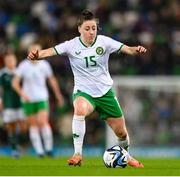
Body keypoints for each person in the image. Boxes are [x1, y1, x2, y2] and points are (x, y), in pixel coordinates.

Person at [27, 10, 147, 167]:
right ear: (79, 29)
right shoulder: (71, 45)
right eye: (87, 28)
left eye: (94, 28)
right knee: (80, 109)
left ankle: (126, 156)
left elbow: (128, 49)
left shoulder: (104, 42)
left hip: (105, 93)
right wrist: (38, 55)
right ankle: (77, 154)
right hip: (84, 92)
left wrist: (136, 50)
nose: (91, 32)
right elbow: (51, 51)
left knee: (121, 132)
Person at [12, 43, 63, 157]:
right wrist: (23, 94)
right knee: (33, 125)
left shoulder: (44, 65)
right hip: (28, 100)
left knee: (43, 122)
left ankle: (49, 149)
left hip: (41, 98)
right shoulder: (23, 65)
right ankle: (40, 152)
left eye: (37, 51)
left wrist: (58, 94)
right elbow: (15, 83)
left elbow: (52, 80)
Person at [0, 53, 28, 158]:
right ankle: (14, 149)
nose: (10, 62)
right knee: (11, 128)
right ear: (5, 62)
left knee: (24, 128)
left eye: (12, 60)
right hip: (8, 104)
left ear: (15, 61)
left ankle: (19, 144)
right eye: (8, 60)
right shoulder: (2, 74)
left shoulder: (20, 72)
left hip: (21, 104)